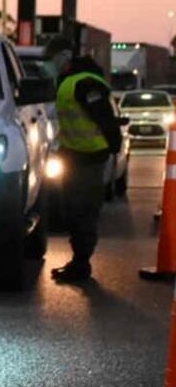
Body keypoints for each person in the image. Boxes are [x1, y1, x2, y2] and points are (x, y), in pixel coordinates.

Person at [43, 35, 123, 283]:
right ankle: (78, 261)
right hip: (74, 155)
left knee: (83, 212)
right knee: (73, 211)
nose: (50, 63)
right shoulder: (68, 81)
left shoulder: (86, 83)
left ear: (65, 55)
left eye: (52, 58)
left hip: (89, 157)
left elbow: (104, 118)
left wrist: (114, 146)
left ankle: (81, 264)